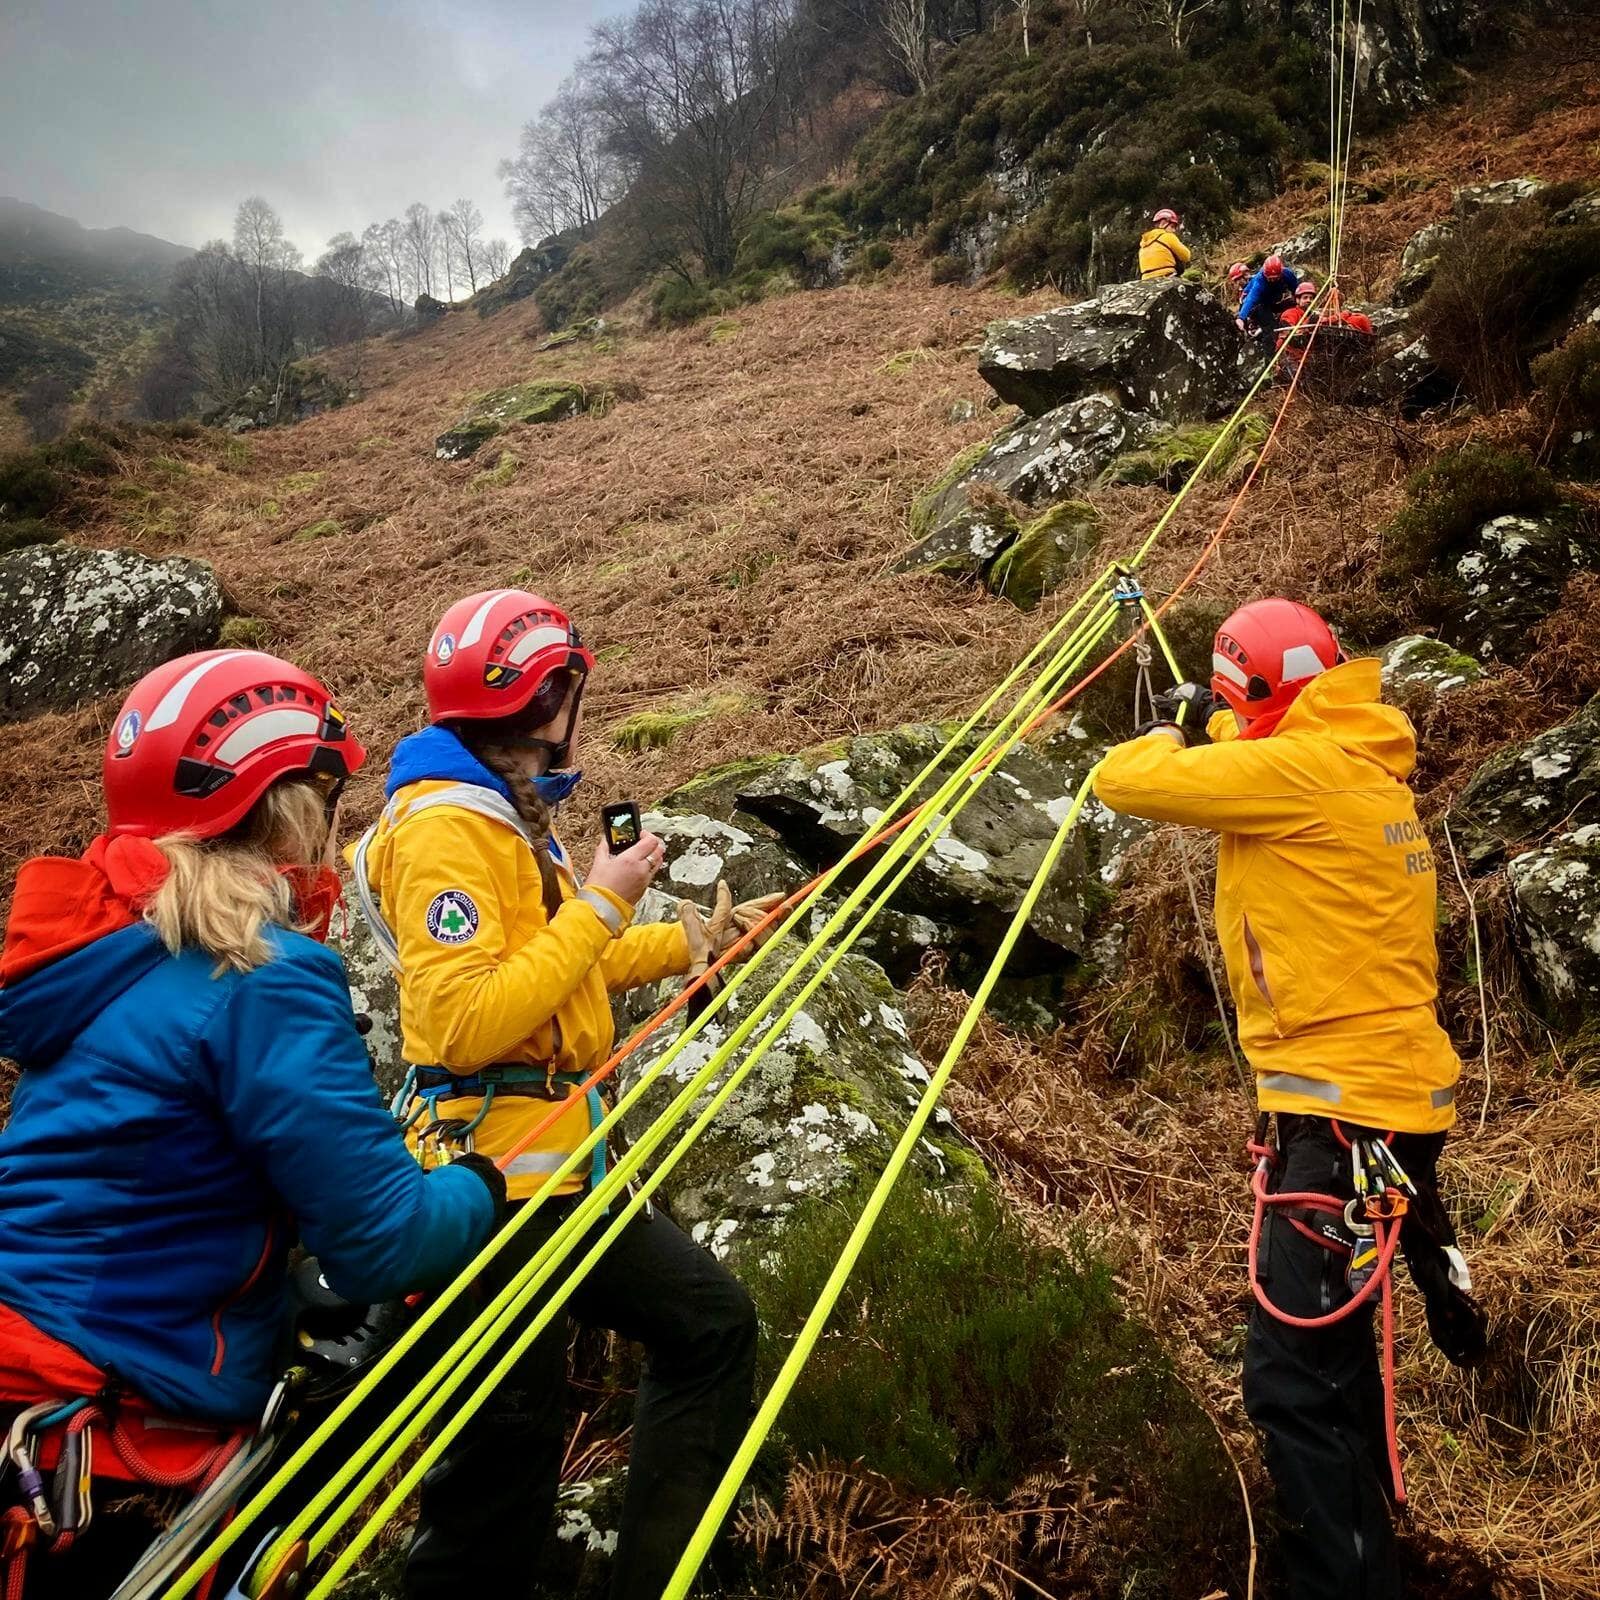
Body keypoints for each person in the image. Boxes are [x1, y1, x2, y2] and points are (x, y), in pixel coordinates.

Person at [0, 649, 501, 1600]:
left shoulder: (109, 959)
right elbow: (387, 1242)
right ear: (288, 804)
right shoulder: (259, 975)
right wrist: (477, 1187)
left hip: (36, 1406)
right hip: (112, 1435)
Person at [354, 588, 760, 1600]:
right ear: (550, 695)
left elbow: (551, 969)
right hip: (491, 1185)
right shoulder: (449, 830)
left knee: (706, 1325)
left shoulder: (499, 815)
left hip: (549, 1173)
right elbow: (462, 1022)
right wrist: (602, 899)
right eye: (575, 687)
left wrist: (693, 947)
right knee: (498, 1487)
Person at [1092, 600, 1488, 1600]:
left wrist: (1168, 728)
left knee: (1290, 1382)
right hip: (1391, 1108)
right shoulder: (1353, 762)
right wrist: (1224, 716)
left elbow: (1123, 779)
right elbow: (1260, 745)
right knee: (1338, 1362)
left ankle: (1343, 1580)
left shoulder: (1295, 774)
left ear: (1262, 699)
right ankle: (1371, 1558)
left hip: (1342, 1122)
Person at [1237, 254, 1300, 342]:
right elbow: (1251, 299)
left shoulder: (1287, 274)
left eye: (1276, 278)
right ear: (1265, 275)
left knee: (1293, 303)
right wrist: (1241, 318)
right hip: (1258, 305)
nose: (1273, 281)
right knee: (1269, 325)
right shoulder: (1260, 281)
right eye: (1270, 279)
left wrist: (1300, 303)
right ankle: (1270, 342)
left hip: (1273, 301)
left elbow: (1296, 290)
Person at [1139, 207, 1191, 281]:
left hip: (1146, 280)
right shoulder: (1168, 236)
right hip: (1167, 276)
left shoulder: (1143, 243)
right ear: (1163, 223)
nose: (1173, 231)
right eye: (1172, 227)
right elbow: (1186, 256)